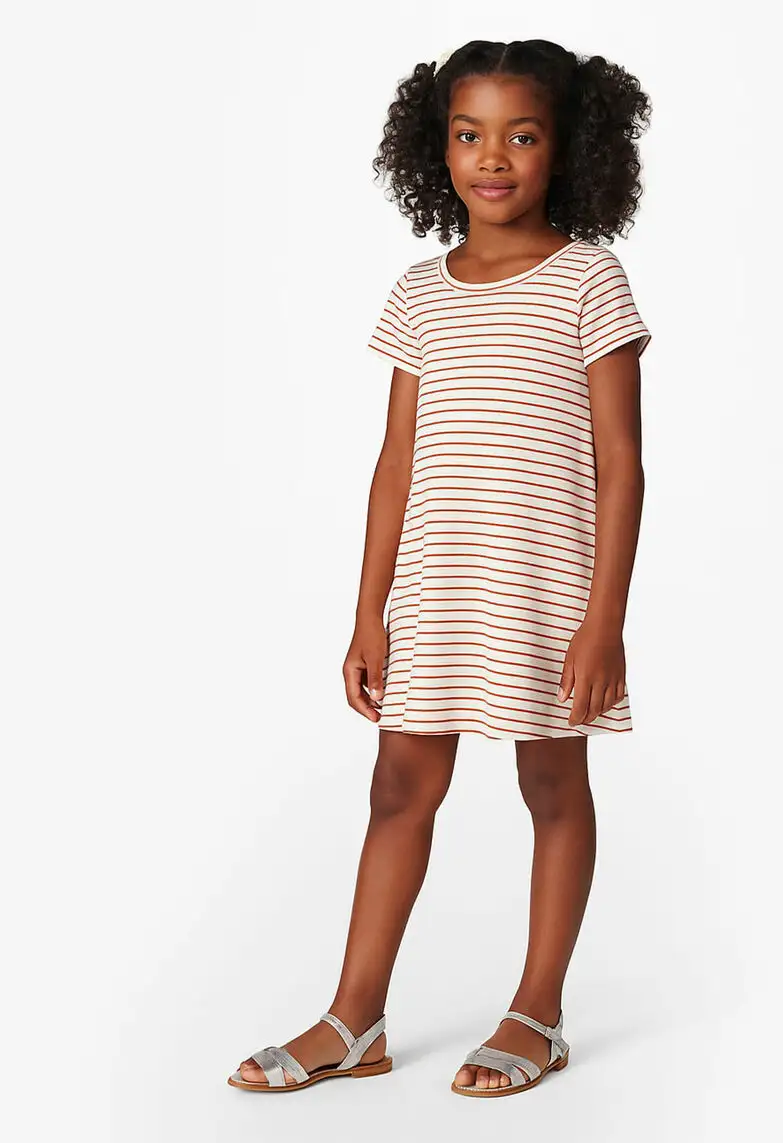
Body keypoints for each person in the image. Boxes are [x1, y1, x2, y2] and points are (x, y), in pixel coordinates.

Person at [228, 38, 653, 1099]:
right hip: (439, 585)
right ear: (437, 149)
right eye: (469, 134)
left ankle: (538, 1011)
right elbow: (395, 461)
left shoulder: (590, 278)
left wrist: (604, 620)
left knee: (551, 781)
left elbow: (622, 464)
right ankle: (354, 1018)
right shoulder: (421, 290)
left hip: (547, 588)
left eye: (522, 134)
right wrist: (367, 613)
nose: (492, 157)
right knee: (397, 786)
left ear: (568, 148)